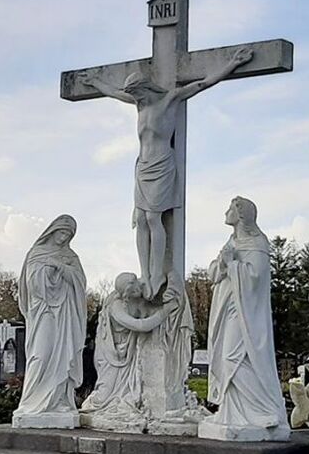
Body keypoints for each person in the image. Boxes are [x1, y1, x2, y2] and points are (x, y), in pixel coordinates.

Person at [79, 46, 253, 300]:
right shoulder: (139, 106)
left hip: (161, 164)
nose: (134, 97)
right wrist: (95, 81)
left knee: (152, 218)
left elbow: (203, 84)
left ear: (145, 87)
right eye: (133, 95)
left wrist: (232, 64)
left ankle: (157, 273)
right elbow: (115, 93)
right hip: (142, 167)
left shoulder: (169, 99)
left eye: (137, 92)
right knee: (140, 220)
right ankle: (145, 273)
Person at [199, 197, 290, 441]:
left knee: (232, 357)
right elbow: (215, 274)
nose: (226, 211)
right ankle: (232, 412)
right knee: (228, 356)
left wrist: (232, 265)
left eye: (230, 208)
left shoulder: (257, 243)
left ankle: (264, 410)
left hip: (244, 312)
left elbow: (255, 277)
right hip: (227, 307)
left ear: (241, 214)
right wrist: (222, 263)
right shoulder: (232, 241)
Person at [12, 215, 87, 428]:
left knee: (64, 354)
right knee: (40, 354)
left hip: (65, 314)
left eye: (69, 235)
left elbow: (80, 284)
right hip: (43, 311)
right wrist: (48, 272)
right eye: (62, 233)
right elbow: (31, 286)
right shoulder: (36, 253)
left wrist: (62, 268)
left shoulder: (71, 256)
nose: (64, 238)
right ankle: (31, 402)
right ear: (53, 231)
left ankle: (60, 401)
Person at [80, 272, 174, 429]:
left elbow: (150, 304)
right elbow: (141, 326)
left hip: (127, 353)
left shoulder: (136, 301)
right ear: (126, 292)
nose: (139, 284)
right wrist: (165, 312)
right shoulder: (116, 307)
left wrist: (167, 281)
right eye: (133, 283)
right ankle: (94, 405)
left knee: (125, 394)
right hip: (111, 356)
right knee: (105, 395)